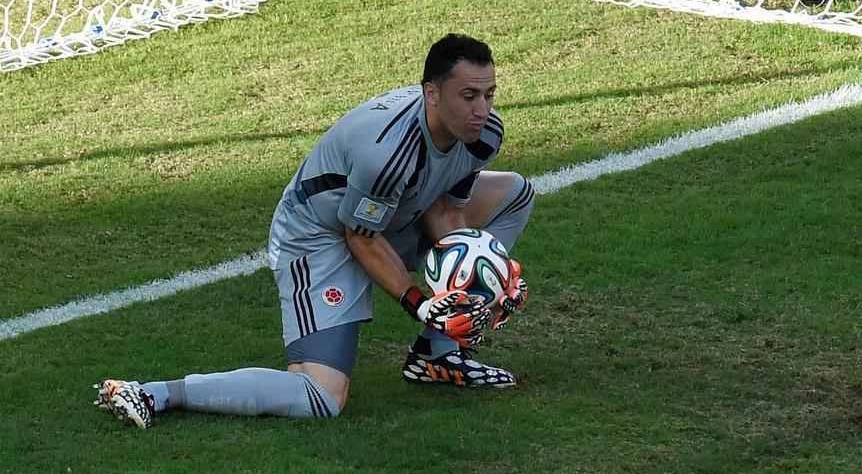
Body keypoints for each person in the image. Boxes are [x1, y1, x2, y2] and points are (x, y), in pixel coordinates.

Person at [95, 34, 534, 428]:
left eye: (489, 94)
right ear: (432, 94)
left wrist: (480, 280)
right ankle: (155, 393)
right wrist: (421, 303)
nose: (482, 110)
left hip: (395, 210)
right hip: (320, 237)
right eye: (469, 96)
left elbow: (443, 210)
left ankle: (437, 356)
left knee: (515, 193)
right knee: (321, 395)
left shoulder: (483, 134)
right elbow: (359, 237)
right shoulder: (387, 153)